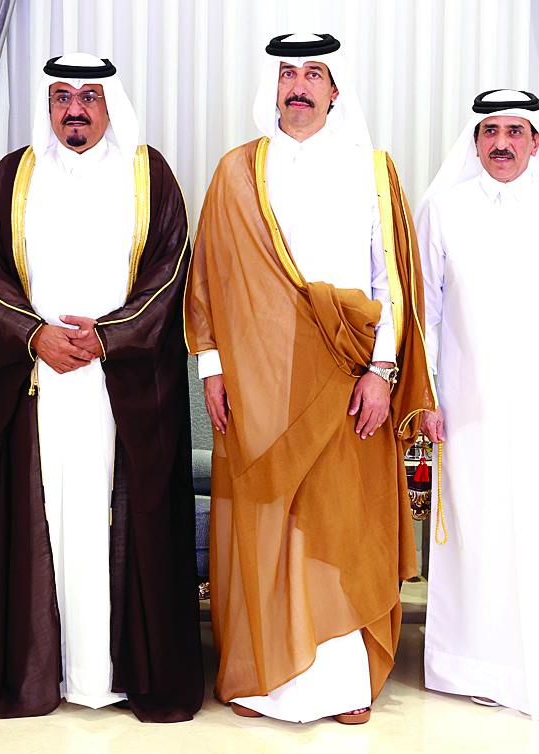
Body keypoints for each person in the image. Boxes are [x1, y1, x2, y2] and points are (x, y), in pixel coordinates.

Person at [185, 32, 436, 725]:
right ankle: (264, 679)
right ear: (273, 87)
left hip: (349, 380)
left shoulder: (372, 171)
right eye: (287, 74)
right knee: (269, 525)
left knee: (341, 524)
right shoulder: (236, 172)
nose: (298, 86)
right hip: (257, 385)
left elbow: (391, 284)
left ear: (334, 89)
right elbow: (208, 280)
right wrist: (212, 369)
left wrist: (382, 372)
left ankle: (342, 684)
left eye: (313, 74)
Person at [0, 53, 202, 723]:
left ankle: (108, 673)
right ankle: (43, 669)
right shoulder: (12, 177)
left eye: (89, 96)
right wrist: (32, 334)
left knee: (112, 520)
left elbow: (169, 268)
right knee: (42, 516)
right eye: (62, 96)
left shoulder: (149, 177)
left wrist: (110, 337)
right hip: (34, 382)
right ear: (48, 106)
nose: (75, 109)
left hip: (120, 385)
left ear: (109, 105)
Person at [415, 89, 539, 718]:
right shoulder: (443, 209)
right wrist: (425, 394)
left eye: (514, 131)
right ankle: (473, 666)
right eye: (490, 131)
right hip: (467, 406)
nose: (501, 143)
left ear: (536, 140)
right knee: (478, 535)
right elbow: (423, 309)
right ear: (475, 142)